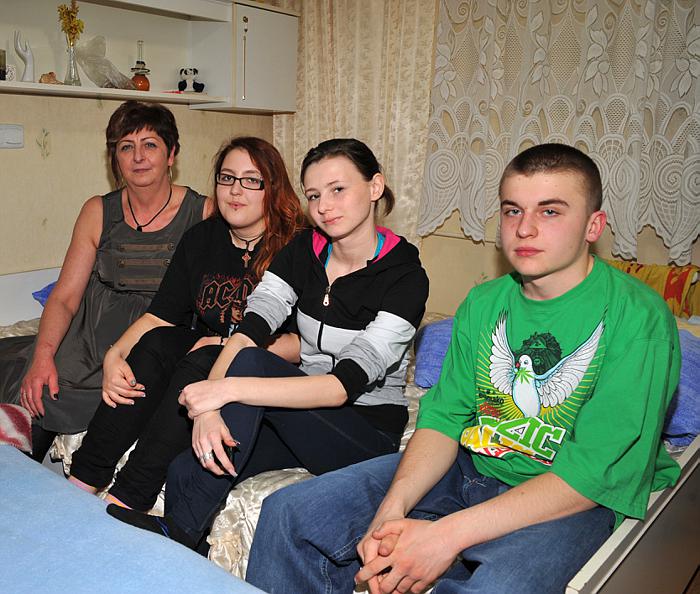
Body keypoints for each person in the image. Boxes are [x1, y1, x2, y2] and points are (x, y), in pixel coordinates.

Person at [244, 143, 682, 594]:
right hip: (471, 467)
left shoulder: (638, 318)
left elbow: (593, 475)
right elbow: (443, 418)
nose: (525, 228)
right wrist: (392, 509)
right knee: (288, 515)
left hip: (569, 497)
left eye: (550, 211)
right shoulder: (485, 302)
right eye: (512, 210)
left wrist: (446, 536)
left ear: (594, 225)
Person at [105, 138, 430, 551]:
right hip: (304, 417)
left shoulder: (405, 277)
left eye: (338, 189)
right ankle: (193, 553)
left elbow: (340, 387)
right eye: (314, 195)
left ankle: (178, 538)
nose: (324, 206)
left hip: (364, 431)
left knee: (253, 364)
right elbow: (250, 328)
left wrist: (223, 390)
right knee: (188, 465)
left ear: (374, 187)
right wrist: (208, 406)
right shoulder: (304, 250)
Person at [67, 137, 306, 511]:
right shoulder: (202, 237)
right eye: (227, 178)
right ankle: (81, 481)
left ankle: (128, 498)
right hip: (207, 353)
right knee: (159, 342)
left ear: (272, 187)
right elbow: (159, 315)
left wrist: (224, 345)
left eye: (251, 180)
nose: (235, 191)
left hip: (268, 369)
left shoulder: (300, 246)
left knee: (200, 359)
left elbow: (305, 345)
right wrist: (116, 354)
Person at [0, 100, 209, 463]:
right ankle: (16, 481)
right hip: (88, 340)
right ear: (115, 157)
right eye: (126, 147)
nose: (138, 157)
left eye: (150, 145)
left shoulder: (203, 212)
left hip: (154, 342)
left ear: (172, 154)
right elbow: (65, 298)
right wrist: (43, 356)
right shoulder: (98, 210)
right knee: (42, 390)